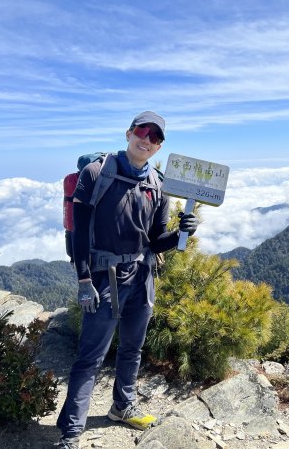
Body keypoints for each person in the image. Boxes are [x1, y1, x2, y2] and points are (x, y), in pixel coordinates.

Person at [55, 111, 198, 448]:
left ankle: (122, 406)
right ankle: (71, 433)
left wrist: (182, 234)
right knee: (90, 357)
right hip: (102, 277)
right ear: (129, 132)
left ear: (159, 146)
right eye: (142, 131)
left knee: (132, 348)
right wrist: (83, 280)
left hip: (141, 274)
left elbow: (155, 239)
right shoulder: (96, 173)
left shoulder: (158, 184)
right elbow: (78, 232)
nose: (147, 139)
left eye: (156, 137)